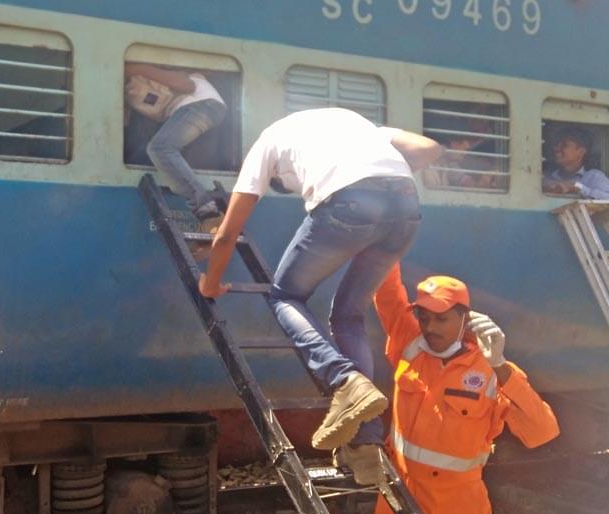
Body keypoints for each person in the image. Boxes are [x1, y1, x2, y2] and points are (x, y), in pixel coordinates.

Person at [198, 108, 443, 480]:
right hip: (406, 208)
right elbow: (429, 148)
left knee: (285, 296)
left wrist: (211, 282)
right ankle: (365, 445)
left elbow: (227, 233)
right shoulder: (356, 124)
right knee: (349, 316)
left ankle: (344, 380)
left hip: (349, 203)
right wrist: (384, 183)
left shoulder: (267, 142)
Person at [366, 262, 560, 514]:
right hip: (399, 495)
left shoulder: (491, 371)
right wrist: (386, 240)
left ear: (465, 319)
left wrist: (500, 366)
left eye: (441, 319)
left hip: (456, 507)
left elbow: (541, 431)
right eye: (424, 317)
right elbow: (386, 291)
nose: (430, 327)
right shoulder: (409, 342)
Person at [124, 63, 226, 223]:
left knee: (160, 148)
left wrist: (137, 69)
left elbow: (187, 85)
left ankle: (203, 204)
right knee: (160, 147)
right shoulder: (130, 91)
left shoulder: (182, 77)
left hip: (201, 104)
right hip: (204, 108)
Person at [542, 126, 609, 200]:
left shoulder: (593, 177)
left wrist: (577, 187)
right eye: (556, 144)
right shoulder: (544, 176)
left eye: (564, 145)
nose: (556, 149)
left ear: (581, 151)